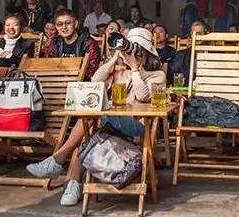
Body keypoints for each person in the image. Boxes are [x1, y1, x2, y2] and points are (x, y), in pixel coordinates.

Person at [26, 28, 165, 205]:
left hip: (136, 125)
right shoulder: (118, 70)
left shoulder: (157, 74)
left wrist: (135, 69)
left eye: (135, 49)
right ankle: (73, 183)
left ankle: (58, 160)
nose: (131, 53)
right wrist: (114, 58)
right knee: (87, 131)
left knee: (92, 119)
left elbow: (143, 96)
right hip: (110, 124)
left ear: (145, 52)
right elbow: (96, 81)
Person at [49, 8, 101, 77]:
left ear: (75, 24)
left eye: (68, 23)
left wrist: (72, 75)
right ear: (56, 26)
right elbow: (49, 66)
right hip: (59, 80)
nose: (64, 27)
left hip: (81, 81)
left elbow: (93, 70)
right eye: (59, 24)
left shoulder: (88, 43)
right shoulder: (55, 43)